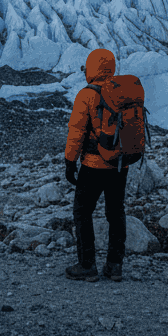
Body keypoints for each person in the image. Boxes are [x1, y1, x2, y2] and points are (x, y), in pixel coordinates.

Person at [63, 47, 127, 282]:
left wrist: (70, 162)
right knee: (116, 212)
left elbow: (77, 131)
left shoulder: (86, 95)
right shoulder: (124, 93)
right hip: (120, 166)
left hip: (93, 165)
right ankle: (114, 265)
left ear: (91, 68)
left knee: (82, 212)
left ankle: (87, 264)